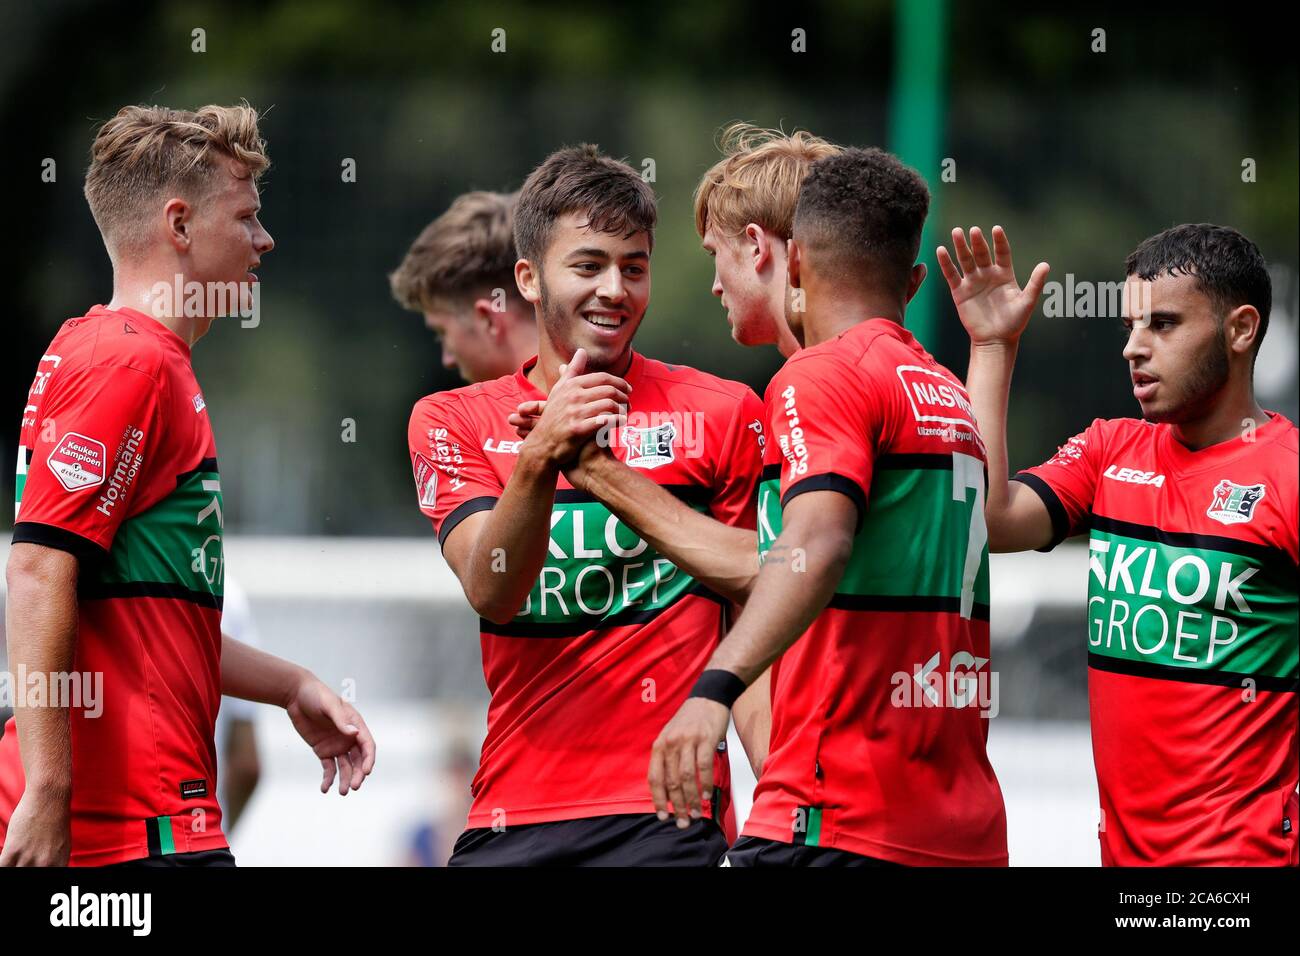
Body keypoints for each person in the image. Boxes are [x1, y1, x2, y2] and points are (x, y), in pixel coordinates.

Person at [0, 103, 376, 867]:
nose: (265, 240)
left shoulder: (131, 356)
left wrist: (290, 684)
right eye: (246, 217)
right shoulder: (128, 362)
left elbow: (144, 617)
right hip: (125, 835)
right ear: (179, 226)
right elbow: (38, 570)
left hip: (155, 824)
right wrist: (47, 790)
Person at [406, 144, 768, 865]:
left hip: (667, 812)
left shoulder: (725, 412)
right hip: (510, 815)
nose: (615, 288)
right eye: (589, 264)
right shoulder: (450, 420)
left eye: (634, 267)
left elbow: (763, 585)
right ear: (528, 279)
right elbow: (494, 589)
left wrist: (777, 813)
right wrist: (541, 456)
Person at [649, 148, 1009, 866]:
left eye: (714, 253)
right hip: (956, 827)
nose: (713, 282)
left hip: (840, 815)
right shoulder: (940, 390)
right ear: (909, 279)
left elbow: (812, 548)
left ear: (775, 252)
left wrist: (713, 688)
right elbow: (776, 567)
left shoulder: (820, 378)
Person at [939, 221, 1297, 865]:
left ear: (1241, 330)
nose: (1134, 348)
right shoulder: (1110, 450)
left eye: (1163, 325)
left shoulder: (1289, 475)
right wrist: (992, 348)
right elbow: (988, 521)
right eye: (1130, 326)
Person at [390, 190, 538, 384]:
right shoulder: (588, 387)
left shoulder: (456, 413)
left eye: (442, 333)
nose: (447, 360)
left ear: (488, 320)